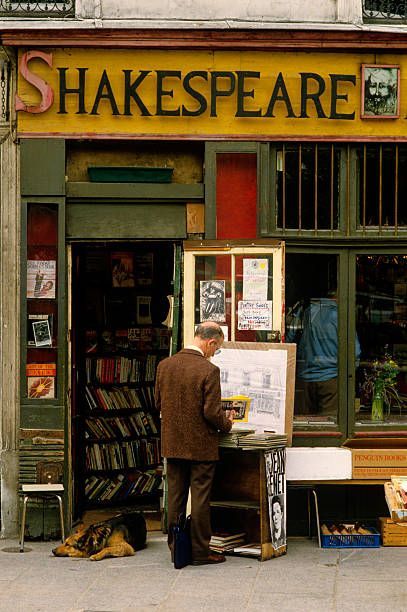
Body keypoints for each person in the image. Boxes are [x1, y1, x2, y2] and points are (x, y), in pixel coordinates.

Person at [155, 321, 235, 566]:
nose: (214, 353)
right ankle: (200, 552)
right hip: (200, 446)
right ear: (210, 342)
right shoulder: (208, 370)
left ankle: (176, 548)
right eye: (216, 348)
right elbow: (211, 412)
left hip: (173, 443)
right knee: (200, 498)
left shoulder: (165, 365)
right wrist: (227, 422)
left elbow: (158, 403)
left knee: (176, 498)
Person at [287, 290, 361, 416]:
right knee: (330, 426)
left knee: (303, 425)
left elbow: (289, 338)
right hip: (331, 380)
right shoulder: (341, 316)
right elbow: (354, 351)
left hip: (304, 379)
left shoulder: (305, 311)